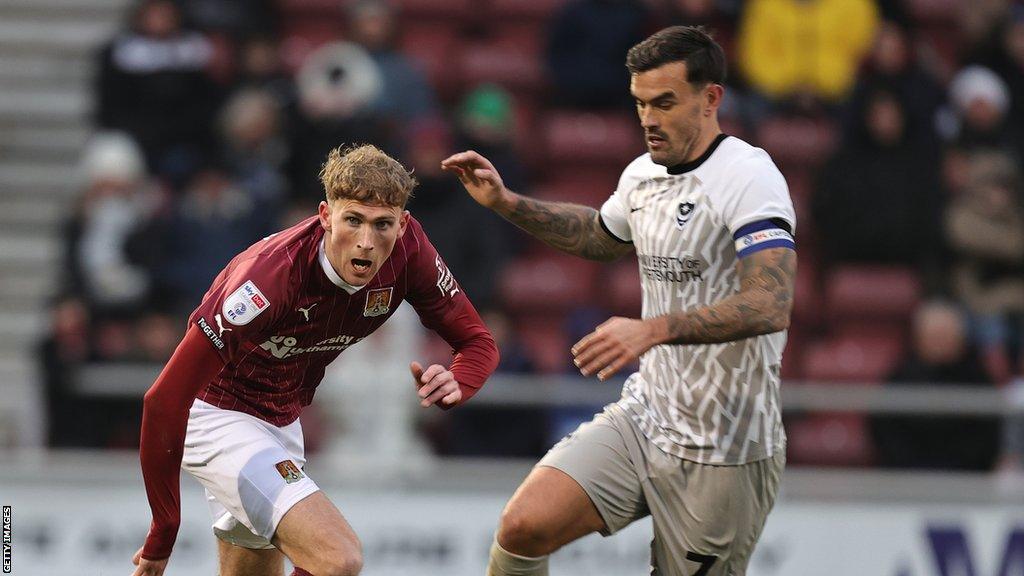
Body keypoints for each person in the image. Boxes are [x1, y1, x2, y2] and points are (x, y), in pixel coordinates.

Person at [444, 26, 795, 575]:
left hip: (726, 446)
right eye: (640, 104)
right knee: (522, 528)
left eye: (664, 103)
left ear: (711, 98)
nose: (649, 119)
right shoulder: (641, 174)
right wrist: (507, 202)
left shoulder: (749, 177)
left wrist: (654, 329)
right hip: (647, 416)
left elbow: (770, 302)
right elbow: (599, 237)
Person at [131, 144, 499, 576]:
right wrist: (163, 530)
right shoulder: (269, 279)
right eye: (353, 221)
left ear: (402, 224)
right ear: (326, 216)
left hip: (282, 422)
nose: (366, 241)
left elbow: (477, 341)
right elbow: (164, 400)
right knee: (339, 559)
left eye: (382, 225)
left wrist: (461, 379)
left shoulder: (410, 252)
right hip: (218, 417)